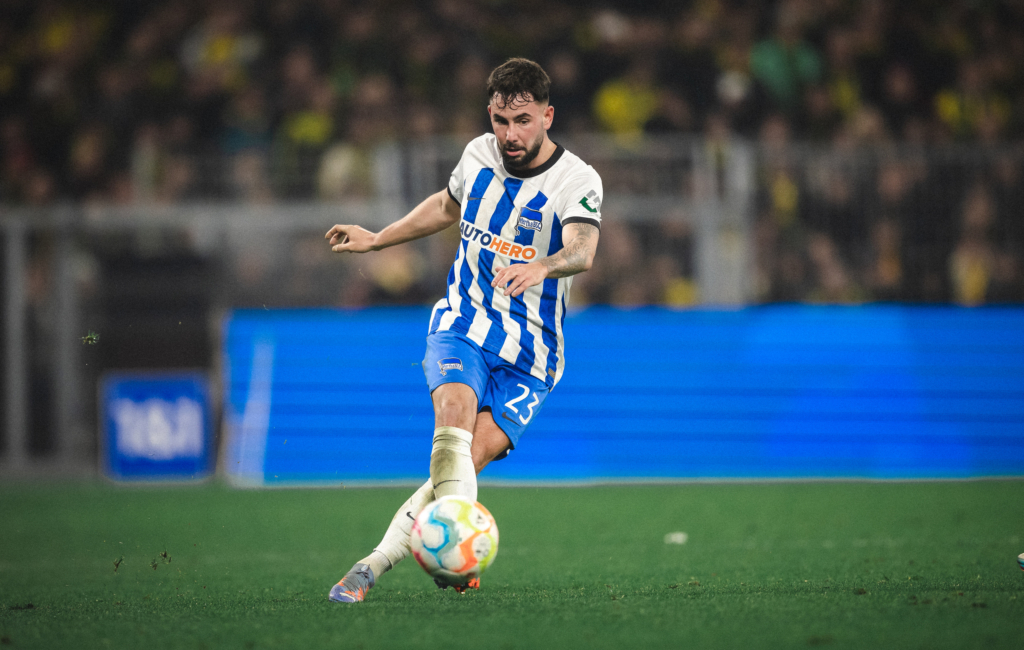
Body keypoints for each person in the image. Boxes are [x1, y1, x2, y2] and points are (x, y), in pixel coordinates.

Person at [323, 57, 603, 602]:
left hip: (533, 355)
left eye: (522, 121)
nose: (510, 134)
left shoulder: (577, 179)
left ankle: (418, 555)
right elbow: (448, 206)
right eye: (501, 120)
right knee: (451, 424)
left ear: (547, 116)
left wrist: (543, 266)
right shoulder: (478, 155)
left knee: (461, 468)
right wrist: (378, 239)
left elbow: (584, 249)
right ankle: (376, 569)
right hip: (463, 322)